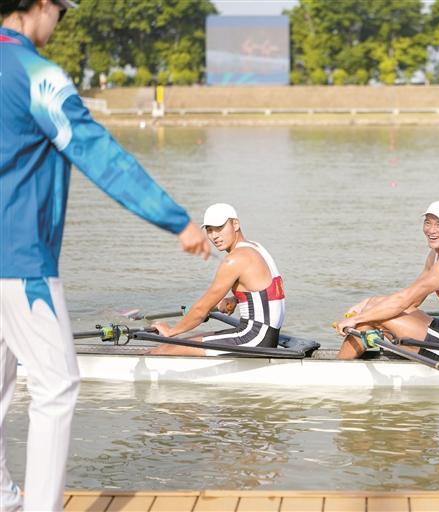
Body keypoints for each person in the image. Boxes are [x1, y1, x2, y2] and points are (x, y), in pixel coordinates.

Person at [0, 1, 209, 510]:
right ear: (42, 5)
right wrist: (174, 218)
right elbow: (98, 153)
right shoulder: (37, 74)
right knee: (57, 385)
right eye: (61, 14)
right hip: (20, 262)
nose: (58, 24)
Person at [334, 201, 439, 360]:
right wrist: (368, 303)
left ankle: (338, 369)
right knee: (373, 309)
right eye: (428, 223)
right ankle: (345, 364)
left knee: (372, 317)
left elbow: (403, 301)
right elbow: (413, 301)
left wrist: (357, 318)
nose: (431, 230)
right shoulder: (435, 255)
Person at [149, 203, 286, 356]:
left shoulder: (235, 259)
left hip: (253, 339)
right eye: (209, 230)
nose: (214, 236)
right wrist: (236, 299)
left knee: (163, 350)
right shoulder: (256, 247)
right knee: (188, 342)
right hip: (266, 336)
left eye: (219, 228)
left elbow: (201, 310)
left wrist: (171, 331)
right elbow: (268, 291)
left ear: (235, 224)